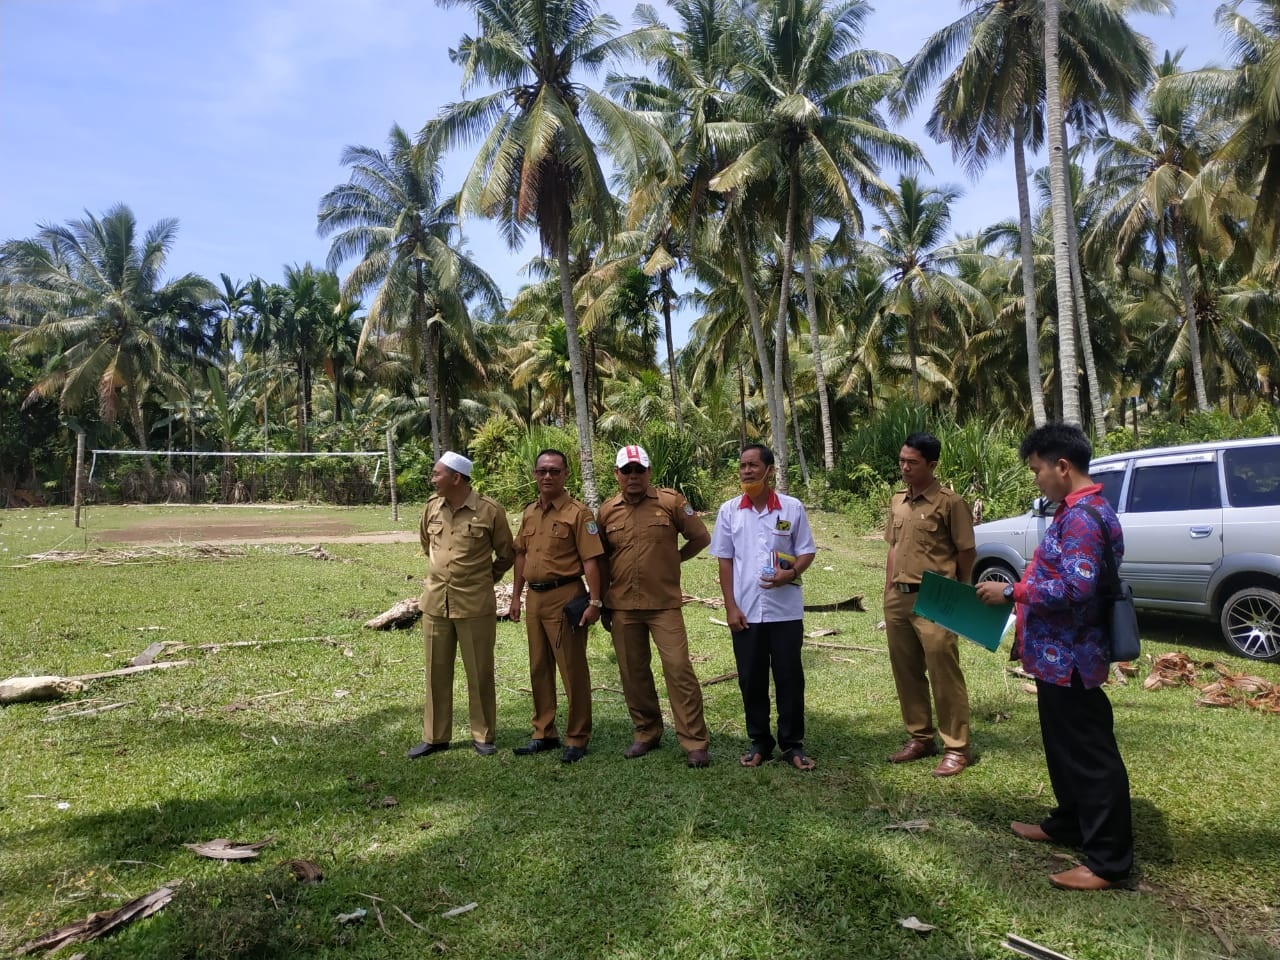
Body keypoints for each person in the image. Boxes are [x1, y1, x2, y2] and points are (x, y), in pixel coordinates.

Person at [977, 423, 1134, 891]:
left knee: (1090, 756)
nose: (1037, 480)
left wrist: (1012, 590)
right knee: (1063, 748)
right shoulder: (1078, 512)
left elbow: (1076, 588)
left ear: (1062, 467)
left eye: (1037, 470)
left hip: (1072, 660)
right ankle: (1068, 821)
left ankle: (1109, 862)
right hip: (1054, 659)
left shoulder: (1084, 517)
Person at [597, 444, 713, 767]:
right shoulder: (607, 511)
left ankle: (694, 741)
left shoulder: (670, 502)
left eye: (639, 470)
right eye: (627, 470)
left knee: (678, 668)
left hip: (664, 604)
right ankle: (646, 732)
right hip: (622, 605)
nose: (633, 476)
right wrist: (603, 600)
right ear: (617, 475)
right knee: (633, 673)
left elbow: (701, 538)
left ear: (649, 472)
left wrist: (675, 558)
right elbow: (602, 559)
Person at [709, 444, 818, 770]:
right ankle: (760, 741)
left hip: (785, 612)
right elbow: (725, 562)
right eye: (742, 465)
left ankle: (792, 744)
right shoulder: (729, 511)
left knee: (789, 678)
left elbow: (806, 551)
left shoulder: (791, 508)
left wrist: (792, 573)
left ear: (769, 470)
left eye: (753, 465)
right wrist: (730, 606)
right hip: (746, 612)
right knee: (751, 678)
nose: (746, 471)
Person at [409, 451, 515, 759]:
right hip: (435, 603)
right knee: (435, 672)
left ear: (456, 478)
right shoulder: (431, 508)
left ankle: (483, 735)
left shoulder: (490, 510)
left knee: (479, 672)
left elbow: (506, 554)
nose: (433, 479)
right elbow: (427, 545)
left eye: (437, 474)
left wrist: (483, 579)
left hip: (474, 604)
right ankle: (435, 736)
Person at [883, 432, 976, 777]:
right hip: (899, 596)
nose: (904, 467)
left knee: (943, 672)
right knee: (906, 671)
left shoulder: (950, 503)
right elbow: (893, 545)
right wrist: (888, 589)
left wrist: (958, 591)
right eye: (902, 461)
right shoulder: (898, 502)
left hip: (937, 599)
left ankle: (957, 747)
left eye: (912, 462)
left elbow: (966, 551)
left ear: (932, 465)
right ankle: (920, 737)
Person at [507, 449, 605, 764]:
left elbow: (592, 560)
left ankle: (577, 737)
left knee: (572, 669)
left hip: (566, 597)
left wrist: (595, 601)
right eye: (542, 471)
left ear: (566, 475)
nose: (548, 476)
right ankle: (543, 732)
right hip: (534, 599)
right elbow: (520, 555)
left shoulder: (579, 513)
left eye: (554, 471)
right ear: (535, 474)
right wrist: (515, 597)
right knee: (538, 667)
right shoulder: (530, 512)